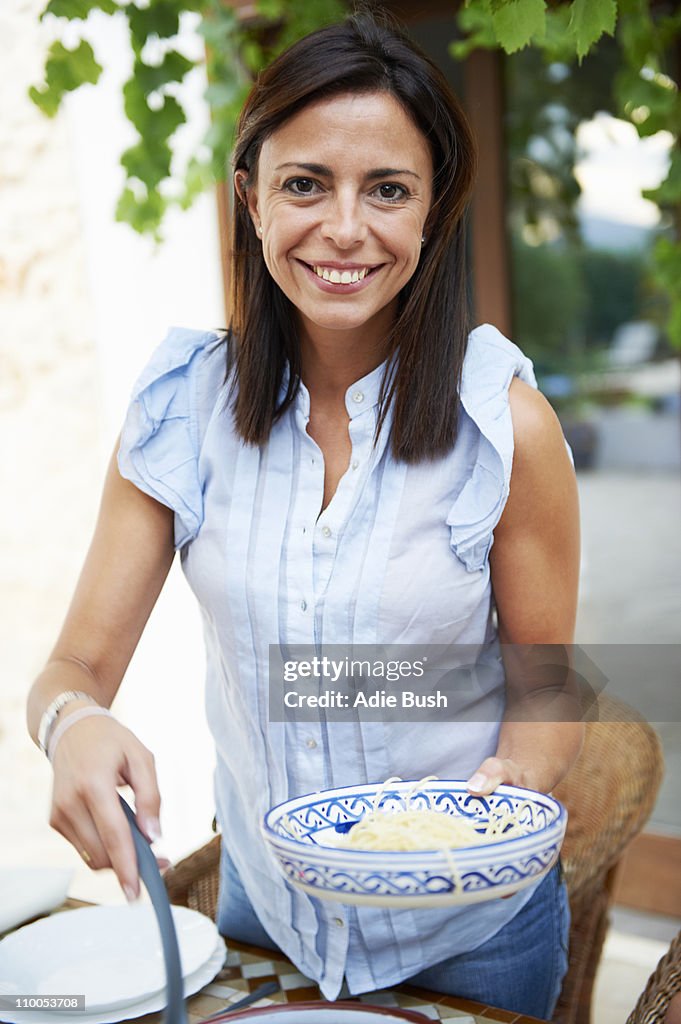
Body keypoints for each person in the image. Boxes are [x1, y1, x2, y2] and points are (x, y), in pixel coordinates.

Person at [26, 8, 581, 1018]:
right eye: (303, 183)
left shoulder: (507, 424)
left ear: (434, 209)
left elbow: (544, 680)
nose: (344, 228)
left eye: (388, 189)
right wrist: (72, 724)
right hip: (262, 914)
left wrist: (508, 791)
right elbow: (72, 672)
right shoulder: (180, 410)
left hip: (473, 928)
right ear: (249, 197)